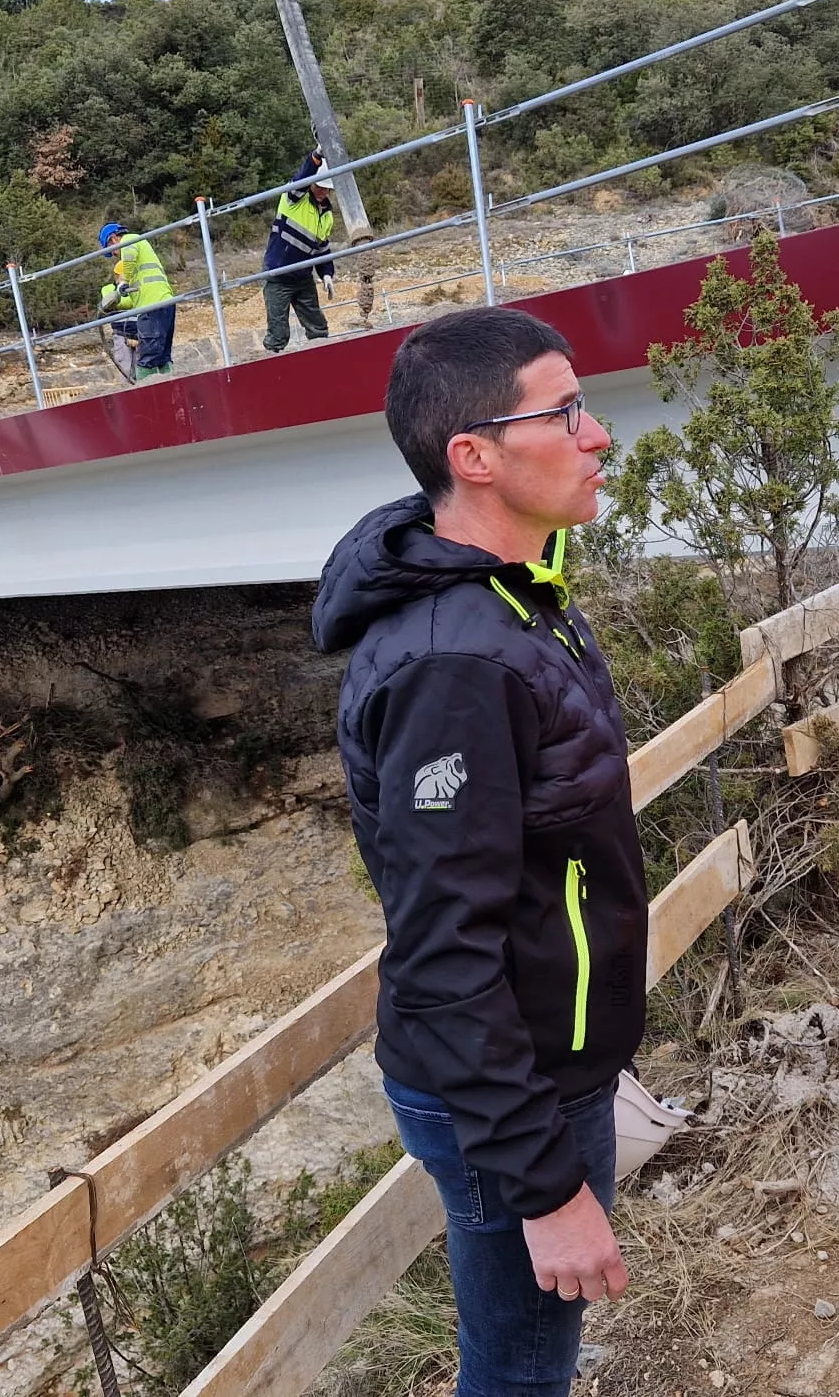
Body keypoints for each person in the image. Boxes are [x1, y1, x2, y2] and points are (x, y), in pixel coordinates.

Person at [312, 307, 647, 1397]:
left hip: (543, 1068)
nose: (597, 434)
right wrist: (545, 1188)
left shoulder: (516, 597)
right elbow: (444, 951)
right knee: (519, 1372)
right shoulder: (454, 665)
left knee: (528, 1361)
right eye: (565, 412)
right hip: (512, 1096)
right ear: (476, 456)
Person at [262, 150, 336, 353]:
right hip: (278, 277)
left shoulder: (327, 216)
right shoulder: (293, 199)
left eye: (326, 188)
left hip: (303, 278)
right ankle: (271, 365)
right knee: (278, 335)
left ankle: (322, 361)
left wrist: (327, 274)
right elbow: (301, 177)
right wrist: (316, 156)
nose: (323, 191)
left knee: (318, 328)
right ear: (311, 183)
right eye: (319, 186)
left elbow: (322, 249)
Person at [98, 222, 175, 377]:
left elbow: (129, 257)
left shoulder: (130, 239)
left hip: (151, 306)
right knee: (162, 355)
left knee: (147, 356)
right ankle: (171, 383)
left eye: (111, 250)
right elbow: (131, 302)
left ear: (113, 238)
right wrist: (115, 304)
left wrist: (124, 281)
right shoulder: (138, 266)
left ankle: (145, 388)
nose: (115, 255)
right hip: (165, 302)